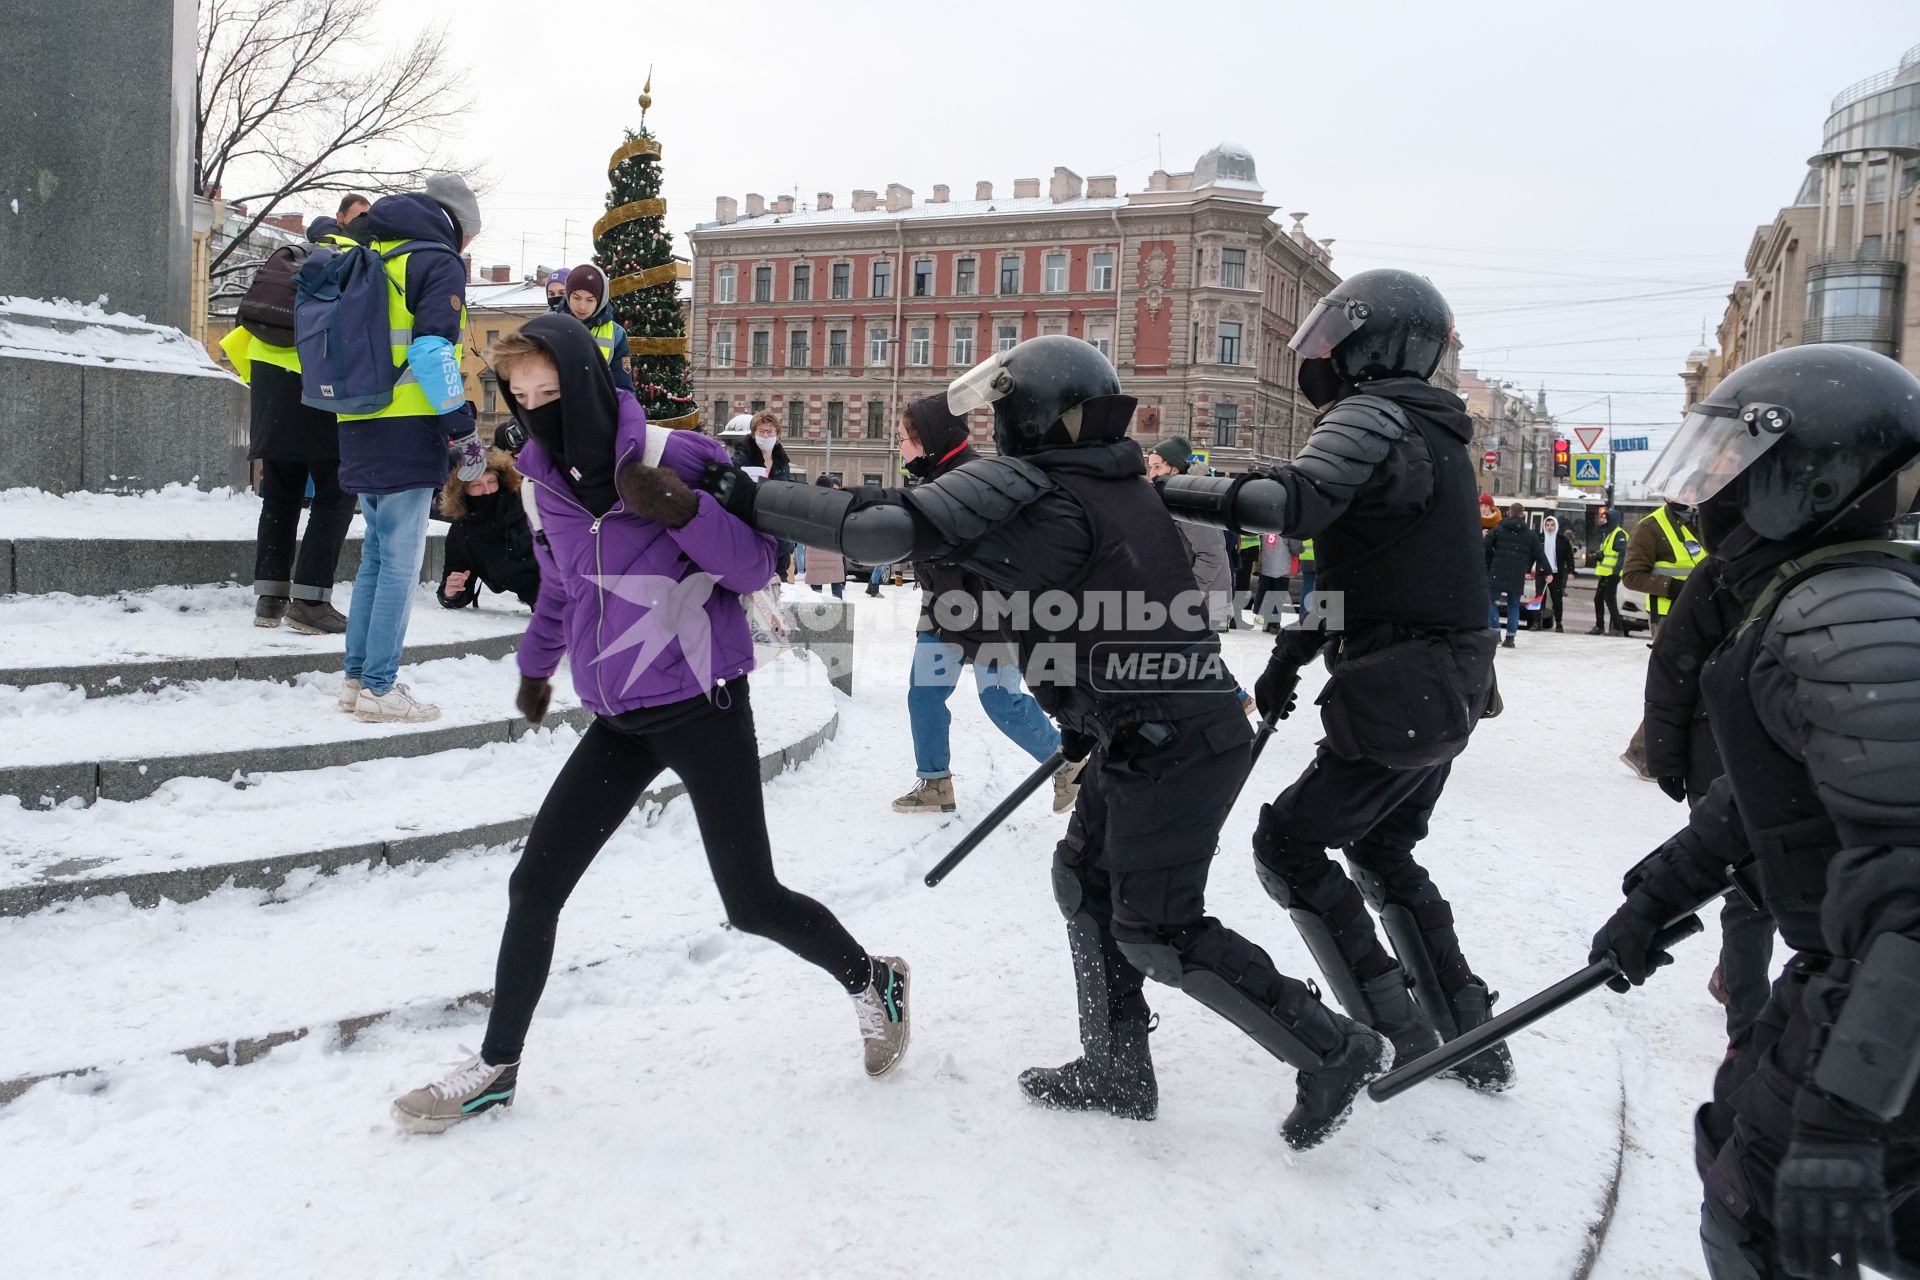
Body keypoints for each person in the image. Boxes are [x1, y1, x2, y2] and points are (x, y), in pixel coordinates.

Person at [703, 335, 1391, 1151]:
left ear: (1034, 413)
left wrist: (743, 496)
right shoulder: (1103, 483)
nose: (996, 429)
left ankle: (1330, 1046)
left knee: (1159, 928)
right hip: (1147, 733)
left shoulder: (1059, 495)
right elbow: (1019, 607)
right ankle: (1116, 1066)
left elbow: (886, 532)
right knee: (1083, 878)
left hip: (1174, 742)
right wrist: (1071, 702)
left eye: (1002, 412)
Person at [391, 314, 912, 1133]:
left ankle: (871, 978)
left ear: (588, 382)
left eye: (551, 393)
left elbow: (753, 566)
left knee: (751, 900)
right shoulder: (541, 482)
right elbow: (562, 589)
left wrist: (678, 510)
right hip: (618, 719)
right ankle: (496, 1070)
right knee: (534, 886)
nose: (537, 413)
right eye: (521, 399)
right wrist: (536, 669)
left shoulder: (678, 455)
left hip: (703, 707)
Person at [1585, 343, 1920, 1279]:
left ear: (1807, 476)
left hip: (1881, 1006)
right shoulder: (1811, 594)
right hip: (1847, 983)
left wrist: (1848, 1116)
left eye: (1732, 463)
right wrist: (1658, 894)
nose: (1708, 490)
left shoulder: (1846, 616)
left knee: (1767, 1218)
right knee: (1744, 1160)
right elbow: (1774, 795)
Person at [1214, 268, 1512, 1093]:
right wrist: (1283, 661)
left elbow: (1297, 504)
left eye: (1332, 338)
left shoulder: (1373, 416)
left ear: (1371, 341)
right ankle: (1469, 1031)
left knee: (1287, 843)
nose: (1322, 355)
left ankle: (1397, 1035)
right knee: (1382, 846)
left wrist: (1172, 490)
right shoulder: (1433, 430)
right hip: (1442, 681)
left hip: (1406, 686)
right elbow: (1363, 568)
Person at [333, 173, 488, 723]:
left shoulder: (373, 253)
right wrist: (462, 427)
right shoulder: (436, 261)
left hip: (358, 421)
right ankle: (380, 685)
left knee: (375, 556)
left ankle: (356, 678)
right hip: (407, 426)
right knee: (400, 563)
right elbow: (429, 352)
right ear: (458, 225)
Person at [889, 394, 1071, 816]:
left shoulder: (974, 479)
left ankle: (1069, 762)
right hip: (943, 609)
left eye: (902, 439)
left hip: (994, 613)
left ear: (927, 440)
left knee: (1000, 701)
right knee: (925, 696)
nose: (899, 447)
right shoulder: (933, 477)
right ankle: (936, 784)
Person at [1640, 554, 1775, 1042]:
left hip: (1790, 753)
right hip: (1719, 749)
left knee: (1761, 892)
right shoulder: (1724, 570)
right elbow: (1675, 661)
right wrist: (1665, 753)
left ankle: (1732, 979)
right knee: (1749, 895)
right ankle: (1749, 1026)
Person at [221, 216, 356, 635]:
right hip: (321, 395)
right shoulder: (352, 263)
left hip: (270, 397)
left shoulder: (286, 265)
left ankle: (270, 597)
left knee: (279, 496)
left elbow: (238, 341)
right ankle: (312, 601)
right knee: (336, 495)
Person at [1145, 436, 1252, 710]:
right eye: (1150, 467)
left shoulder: (1188, 501)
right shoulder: (1173, 496)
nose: (1151, 474)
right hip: (1196, 592)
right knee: (1190, 655)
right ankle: (1234, 700)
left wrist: (1188, 595)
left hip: (1204, 594)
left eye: (1156, 467)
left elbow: (1212, 554)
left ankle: (1234, 701)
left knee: (1190, 655)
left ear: (1175, 469)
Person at [435, 448, 540, 609]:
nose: (487, 490)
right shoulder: (463, 531)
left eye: (491, 481)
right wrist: (450, 592)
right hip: (544, 603)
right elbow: (458, 584)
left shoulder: (528, 503)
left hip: (572, 585)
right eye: (477, 484)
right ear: (462, 491)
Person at [1622, 493, 1705, 632]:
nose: (1687, 494)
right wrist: (1677, 587)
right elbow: (1631, 577)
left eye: (1692, 489)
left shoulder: (1702, 521)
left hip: (1705, 611)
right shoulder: (1649, 527)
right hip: (1669, 615)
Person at [732, 411, 796, 584]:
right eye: (761, 431)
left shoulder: (782, 462)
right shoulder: (742, 459)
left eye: (770, 432)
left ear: (778, 435)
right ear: (753, 434)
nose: (766, 435)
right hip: (751, 532)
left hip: (778, 535)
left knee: (778, 586)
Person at [560, 263, 633, 394]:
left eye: (590, 300)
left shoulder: (616, 335)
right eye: (576, 298)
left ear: (600, 301)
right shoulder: (550, 326)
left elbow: (623, 388)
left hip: (597, 410)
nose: (582, 306)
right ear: (568, 295)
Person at [1484, 502, 1544, 648]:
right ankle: (1510, 637)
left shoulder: (1498, 529)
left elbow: (1485, 547)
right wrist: (1547, 571)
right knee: (1514, 605)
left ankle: (1495, 631)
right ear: (1522, 514)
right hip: (1517, 574)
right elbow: (1540, 553)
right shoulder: (1529, 534)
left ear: (1509, 513)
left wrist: (1487, 563)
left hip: (1497, 572)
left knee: (1492, 602)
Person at [802, 476, 846, 598]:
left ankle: (816, 613)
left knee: (816, 589)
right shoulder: (837, 503)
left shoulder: (809, 502)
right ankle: (840, 612)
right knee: (836, 584)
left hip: (814, 549)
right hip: (832, 548)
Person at [1588, 507, 1629, 635]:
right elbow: (1609, 552)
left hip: (1613, 574)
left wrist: (1617, 570)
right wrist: (1599, 555)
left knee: (1609, 599)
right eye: (1602, 517)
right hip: (1606, 573)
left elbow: (1623, 553)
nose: (1602, 520)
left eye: (1605, 518)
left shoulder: (1619, 534)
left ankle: (1617, 628)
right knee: (1599, 599)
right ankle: (1601, 626)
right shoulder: (1609, 533)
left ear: (1613, 519)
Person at [1538, 514, 1575, 633]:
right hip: (1541, 572)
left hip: (1556, 574)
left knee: (1557, 599)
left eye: (1552, 525)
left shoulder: (1562, 540)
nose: (1549, 527)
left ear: (1556, 526)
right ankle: (1537, 622)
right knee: (1539, 598)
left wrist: (1571, 570)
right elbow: (1533, 554)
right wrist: (1528, 570)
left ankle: (1559, 622)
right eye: (1547, 525)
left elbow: (1569, 557)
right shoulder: (1540, 538)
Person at [1249, 531, 1291, 631]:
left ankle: (1266, 623)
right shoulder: (1286, 528)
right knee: (1278, 596)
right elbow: (1296, 547)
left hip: (1266, 566)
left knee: (1267, 595)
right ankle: (1274, 624)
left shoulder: (1266, 526)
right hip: (1282, 567)